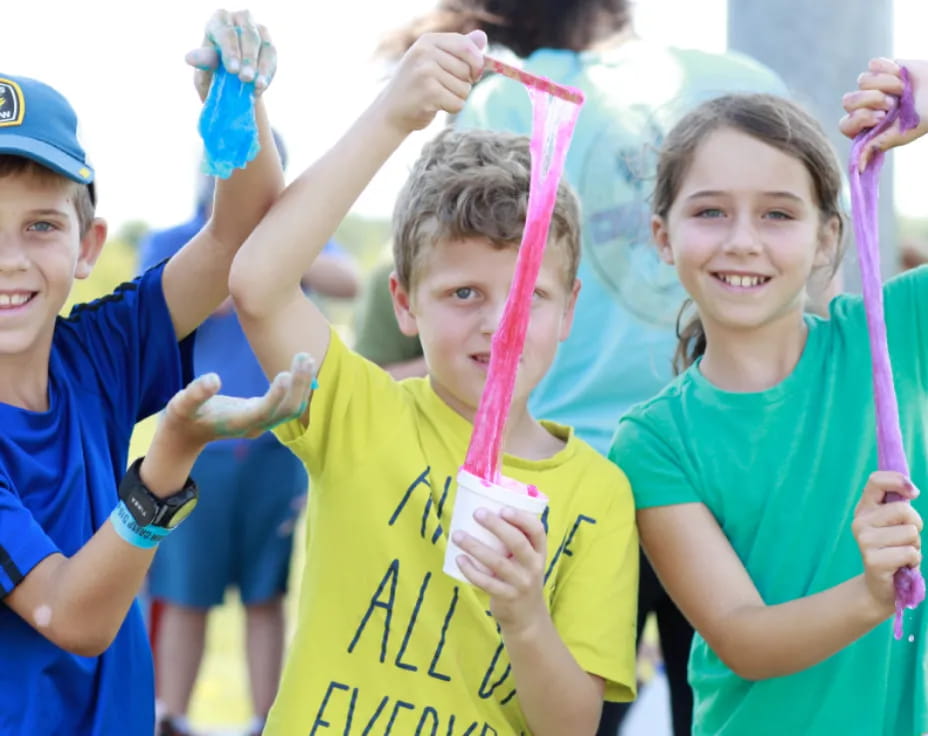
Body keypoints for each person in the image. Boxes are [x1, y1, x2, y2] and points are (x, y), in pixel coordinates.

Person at [377, 3, 792, 733]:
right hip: (728, 472)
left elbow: (448, 254)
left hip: (559, 483)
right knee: (729, 715)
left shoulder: (501, 93)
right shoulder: (742, 83)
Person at [229, 31, 639, 735]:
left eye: (529, 297)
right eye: (463, 294)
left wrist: (524, 616)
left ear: (569, 309)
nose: (500, 326)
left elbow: (572, 726)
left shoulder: (601, 497)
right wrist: (394, 115)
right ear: (403, 302)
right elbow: (258, 284)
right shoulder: (359, 413)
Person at [610, 70, 928, 736]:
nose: (743, 241)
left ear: (826, 237)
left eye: (778, 213)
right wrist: (872, 594)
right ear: (664, 237)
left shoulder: (896, 331)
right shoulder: (654, 441)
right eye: (710, 211)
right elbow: (743, 638)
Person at [0, 9, 291, 734]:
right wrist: (165, 465)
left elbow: (240, 233)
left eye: (40, 224)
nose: (10, 258)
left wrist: (235, 102)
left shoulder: (95, 355)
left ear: (88, 244)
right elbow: (70, 616)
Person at [139, 133, 359, 736]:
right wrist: (234, 253)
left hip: (276, 445)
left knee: (266, 591)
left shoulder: (297, 237)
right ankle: (169, 718)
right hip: (195, 445)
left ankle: (268, 721)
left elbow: (351, 282)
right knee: (185, 592)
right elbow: (162, 308)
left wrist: (281, 247)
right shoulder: (174, 240)